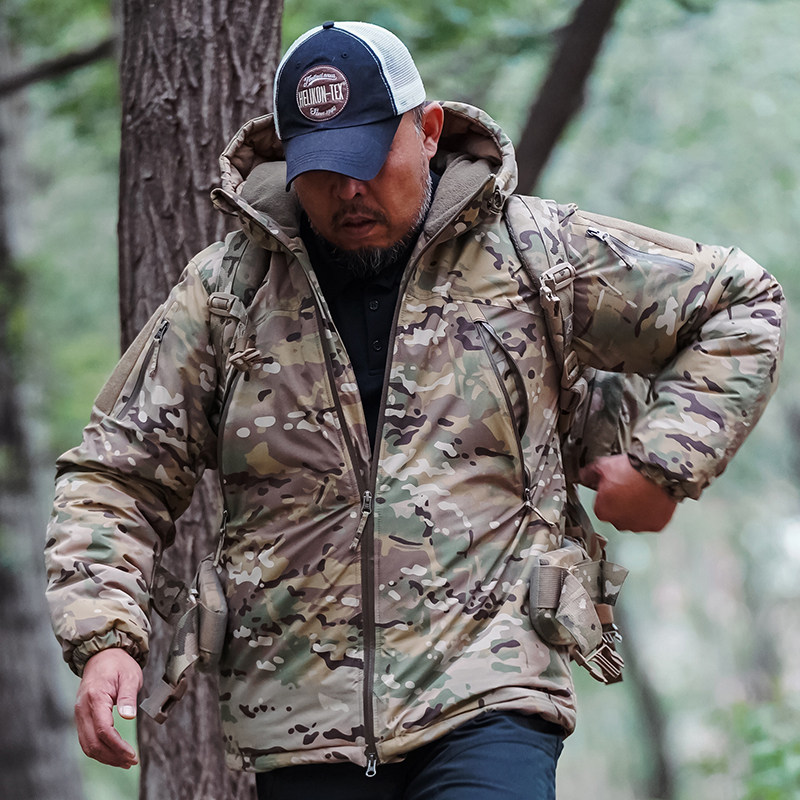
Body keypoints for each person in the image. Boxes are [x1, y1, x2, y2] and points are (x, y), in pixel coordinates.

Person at [44, 20, 784, 800]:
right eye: (324, 170)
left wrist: (664, 464)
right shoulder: (227, 293)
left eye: (367, 161)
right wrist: (104, 634)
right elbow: (113, 476)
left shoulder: (536, 254)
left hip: (491, 683)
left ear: (428, 131)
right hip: (298, 716)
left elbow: (739, 303)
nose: (348, 192)